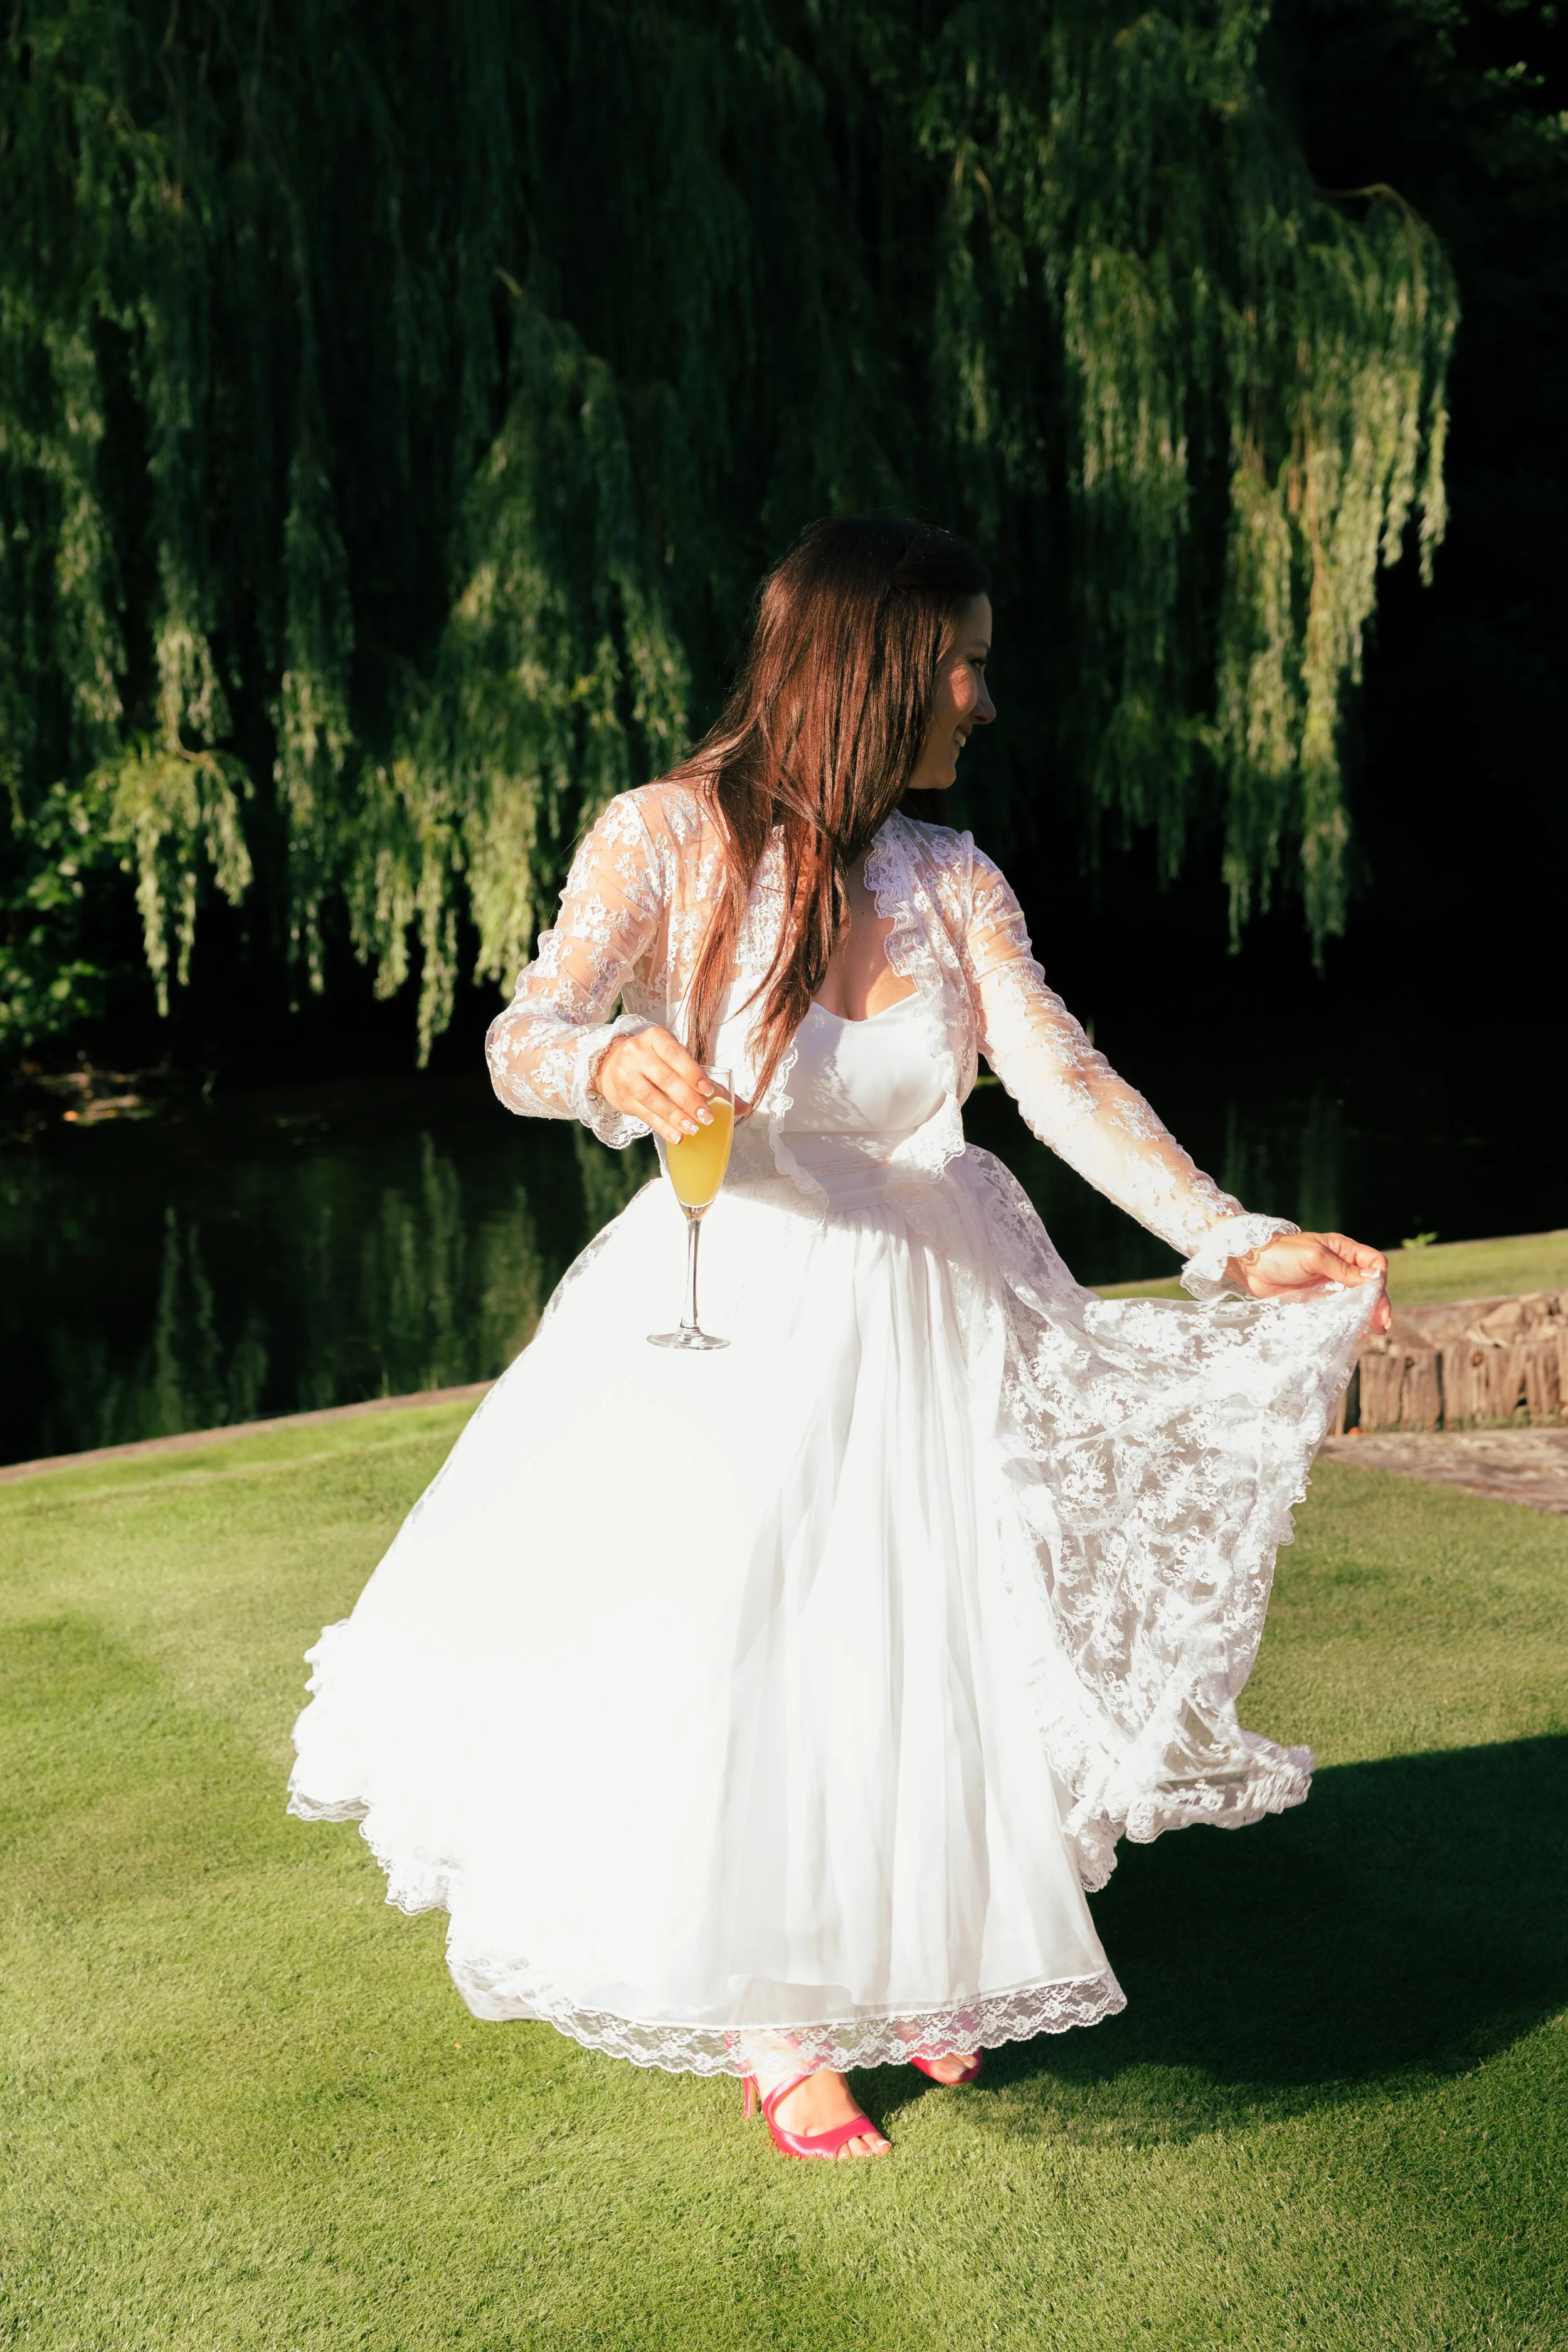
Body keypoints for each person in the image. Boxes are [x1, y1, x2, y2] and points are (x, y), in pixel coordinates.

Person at [289, 518, 1388, 2163]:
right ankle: (778, 2011)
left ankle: (927, 1945)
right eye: (963, 661)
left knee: (944, 1624)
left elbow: (1063, 1079)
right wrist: (607, 1068)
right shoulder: (663, 836)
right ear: (873, 668)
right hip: (734, 1310)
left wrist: (1228, 1238)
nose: (982, 698)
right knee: (758, 1648)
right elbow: (526, 1028)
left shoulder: (946, 878)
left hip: (947, 1298)